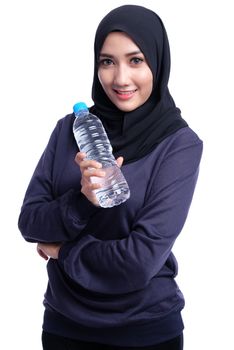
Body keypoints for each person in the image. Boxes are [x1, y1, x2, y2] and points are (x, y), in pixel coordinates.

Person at [18, 4, 203, 350]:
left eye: (136, 60)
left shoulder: (179, 144)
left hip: (145, 332)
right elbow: (30, 222)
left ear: (157, 63)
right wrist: (82, 201)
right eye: (107, 61)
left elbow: (138, 262)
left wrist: (63, 252)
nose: (120, 79)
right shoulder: (69, 130)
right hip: (63, 328)